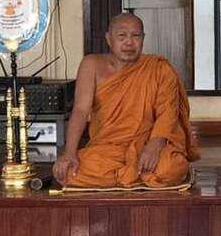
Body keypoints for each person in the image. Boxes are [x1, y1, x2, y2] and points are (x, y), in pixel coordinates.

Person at [52, 13, 198, 188]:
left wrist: (155, 145)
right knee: (69, 172)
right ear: (109, 38)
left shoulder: (159, 69)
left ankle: (126, 175)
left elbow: (168, 112)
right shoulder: (91, 65)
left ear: (143, 38)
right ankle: (138, 175)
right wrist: (69, 153)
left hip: (147, 143)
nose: (129, 42)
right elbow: (80, 110)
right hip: (108, 148)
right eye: (122, 36)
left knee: (170, 168)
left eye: (135, 36)